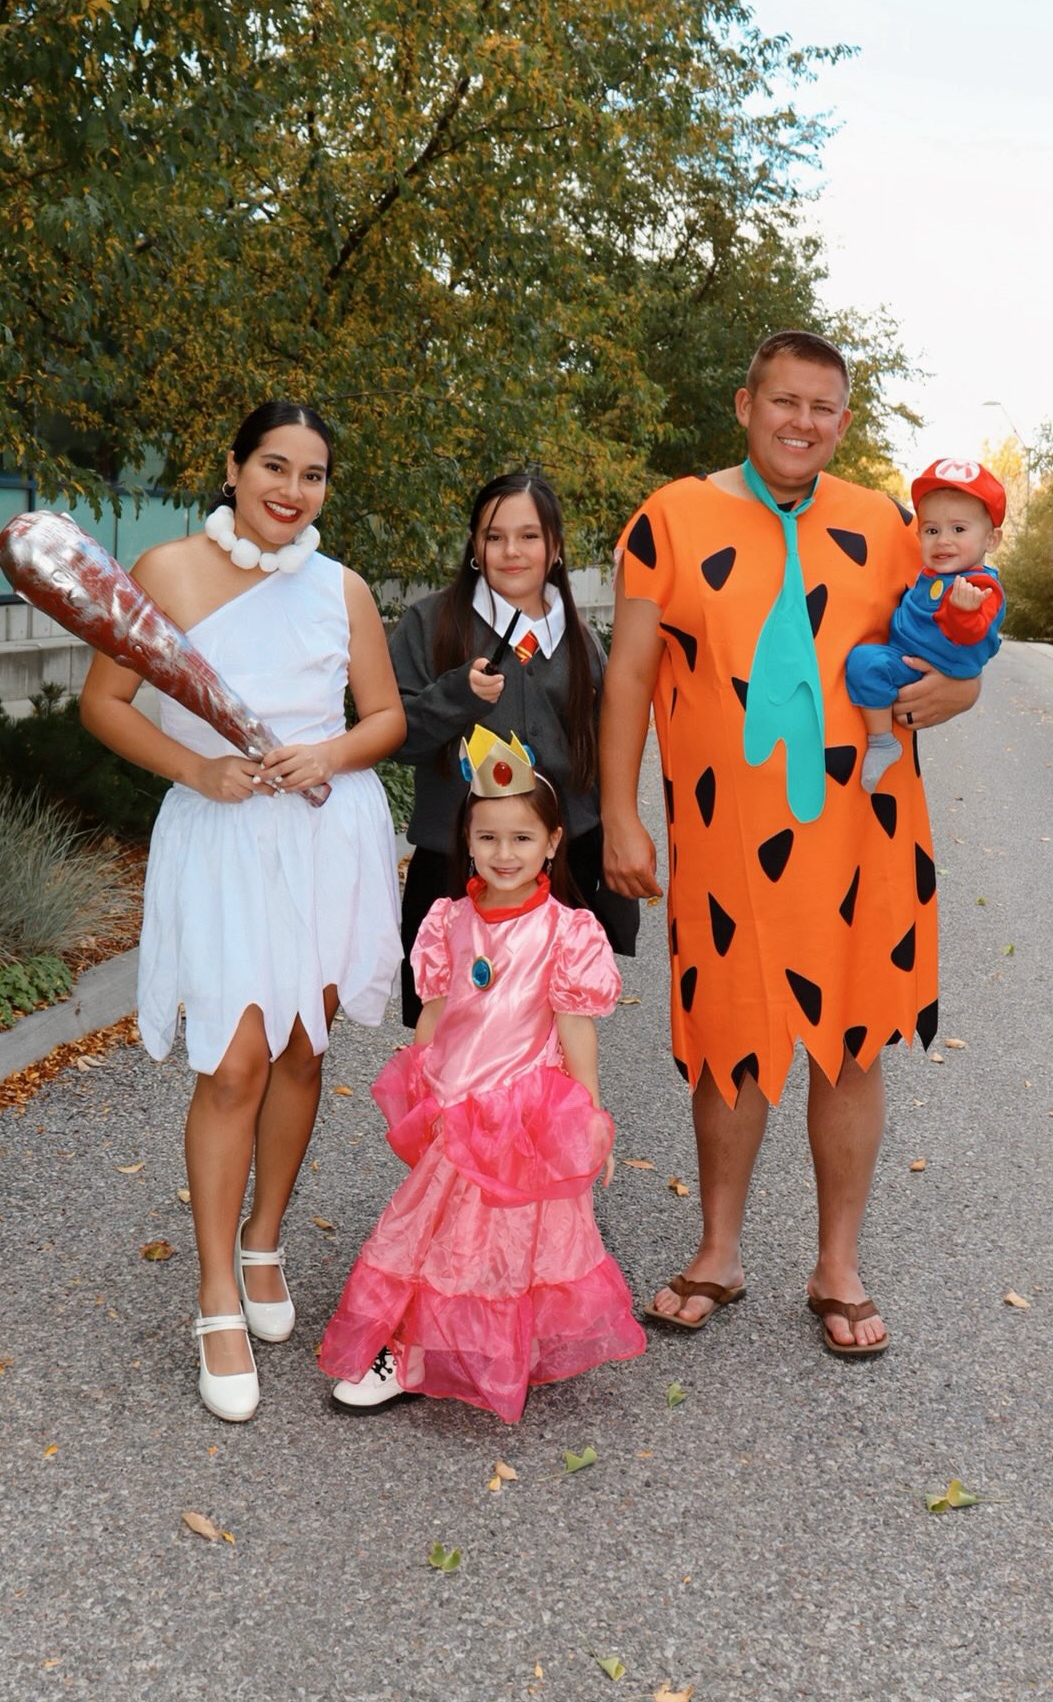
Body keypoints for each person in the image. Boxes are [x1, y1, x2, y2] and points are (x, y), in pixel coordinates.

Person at [600, 331, 980, 1358]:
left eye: (822, 407)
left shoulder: (888, 526)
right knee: (729, 1039)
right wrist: (622, 811)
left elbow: (955, 660)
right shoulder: (670, 520)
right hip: (725, 834)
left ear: (842, 422)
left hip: (864, 830)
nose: (801, 422)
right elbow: (629, 675)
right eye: (784, 401)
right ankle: (717, 1249)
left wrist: (940, 699)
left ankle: (837, 1264)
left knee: (851, 1038)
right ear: (743, 402)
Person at [80, 401, 404, 1421]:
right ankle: (216, 1290)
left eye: (312, 474)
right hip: (224, 834)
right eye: (275, 464)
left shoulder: (339, 586)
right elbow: (104, 702)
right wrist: (200, 767)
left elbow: (386, 715)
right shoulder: (168, 570)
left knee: (304, 1050)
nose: (292, 489)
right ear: (233, 465)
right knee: (236, 1060)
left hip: (324, 832)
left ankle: (264, 1238)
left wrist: (331, 750)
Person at [319, 725, 646, 1421]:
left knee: (510, 1237)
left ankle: (493, 1341)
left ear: (553, 844)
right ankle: (405, 1349)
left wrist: (589, 1118)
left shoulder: (568, 932)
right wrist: (419, 1080)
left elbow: (574, 1028)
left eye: (522, 839)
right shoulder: (446, 922)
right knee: (434, 1235)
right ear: (466, 840)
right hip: (455, 1103)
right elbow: (435, 1016)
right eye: (489, 837)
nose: (505, 854)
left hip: (524, 1111)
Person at [389, 471, 638, 1027]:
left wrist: (613, 879)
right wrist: (455, 696)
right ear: (475, 547)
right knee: (452, 1034)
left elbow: (602, 758)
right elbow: (394, 735)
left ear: (555, 548)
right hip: (455, 868)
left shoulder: (581, 637)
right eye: (494, 536)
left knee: (546, 1034)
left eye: (529, 536)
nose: (511, 551)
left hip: (559, 868)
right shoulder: (429, 623)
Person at [846, 458, 1005, 791]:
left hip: (930, 666)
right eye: (932, 530)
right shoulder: (933, 573)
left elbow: (972, 633)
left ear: (991, 540)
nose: (943, 540)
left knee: (866, 664)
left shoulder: (979, 586)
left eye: (959, 529)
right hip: (904, 652)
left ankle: (882, 742)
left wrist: (964, 612)